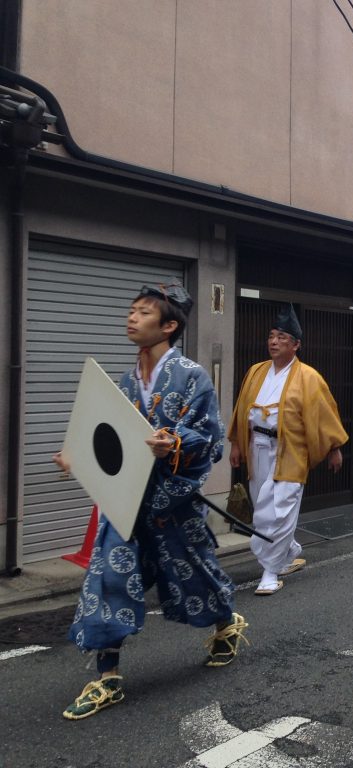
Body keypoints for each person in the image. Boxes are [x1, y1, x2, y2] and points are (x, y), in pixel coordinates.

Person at [54, 284, 247, 720]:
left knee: (196, 575)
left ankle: (226, 624)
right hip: (127, 504)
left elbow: (211, 440)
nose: (131, 317)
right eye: (132, 310)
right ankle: (107, 676)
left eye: (143, 313)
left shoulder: (192, 376)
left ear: (169, 326)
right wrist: (78, 455)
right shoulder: (125, 381)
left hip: (171, 503)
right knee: (107, 577)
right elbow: (111, 439)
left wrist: (176, 444)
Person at [228, 304, 348, 596]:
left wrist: (334, 448)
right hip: (257, 448)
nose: (274, 342)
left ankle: (270, 571)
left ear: (296, 345)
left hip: (290, 450)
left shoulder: (308, 377)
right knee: (261, 508)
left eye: (282, 337)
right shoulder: (255, 372)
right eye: (271, 336)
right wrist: (235, 444)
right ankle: (290, 549)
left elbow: (324, 414)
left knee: (278, 510)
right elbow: (242, 408)